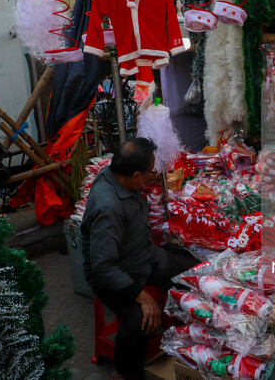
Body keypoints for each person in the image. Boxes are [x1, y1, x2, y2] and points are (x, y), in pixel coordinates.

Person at [81, 137, 198, 379]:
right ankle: (124, 373)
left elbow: (134, 183)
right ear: (134, 175)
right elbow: (103, 267)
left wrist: (147, 180)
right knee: (140, 320)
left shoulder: (117, 174)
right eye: (149, 171)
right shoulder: (109, 207)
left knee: (191, 270)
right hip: (115, 274)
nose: (152, 174)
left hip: (142, 254)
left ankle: (186, 337)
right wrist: (143, 297)